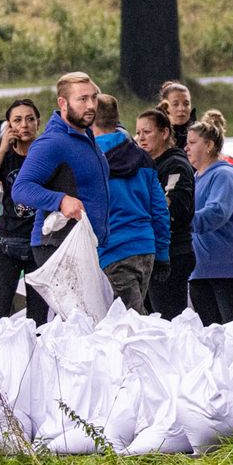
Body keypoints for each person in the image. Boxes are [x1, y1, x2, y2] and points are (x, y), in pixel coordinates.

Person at [13, 72, 111, 271]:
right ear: (63, 103)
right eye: (82, 99)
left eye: (93, 97)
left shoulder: (86, 137)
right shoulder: (52, 142)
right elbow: (20, 189)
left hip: (88, 245)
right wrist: (61, 200)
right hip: (58, 245)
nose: (91, 105)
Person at [91, 95, 170, 313]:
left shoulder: (89, 158)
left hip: (112, 250)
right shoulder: (143, 157)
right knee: (131, 316)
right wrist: (162, 253)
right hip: (145, 248)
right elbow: (159, 210)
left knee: (129, 323)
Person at [0, 98, 48, 327]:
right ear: (8, 125)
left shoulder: (47, 153)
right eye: (17, 120)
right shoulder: (4, 155)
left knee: (38, 318)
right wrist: (3, 148)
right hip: (7, 241)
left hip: (39, 242)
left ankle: (34, 360)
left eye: (29, 119)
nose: (24, 125)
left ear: (38, 123)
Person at [187, 110, 233, 326]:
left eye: (192, 142)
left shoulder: (223, 174)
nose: (186, 148)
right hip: (200, 269)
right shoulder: (196, 177)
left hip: (227, 267)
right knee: (211, 335)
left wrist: (182, 221)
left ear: (208, 146)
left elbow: (217, 213)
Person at [136, 109, 195, 319]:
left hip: (173, 253)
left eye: (147, 132)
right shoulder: (146, 165)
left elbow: (169, 206)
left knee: (169, 319)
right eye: (138, 132)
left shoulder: (175, 164)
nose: (141, 138)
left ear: (164, 133)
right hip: (150, 252)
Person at [159, 80, 195, 151]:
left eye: (186, 104)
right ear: (165, 106)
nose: (181, 109)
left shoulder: (201, 134)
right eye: (175, 104)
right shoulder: (152, 133)